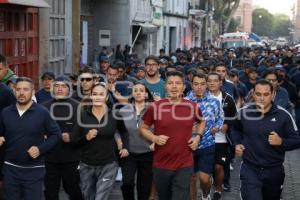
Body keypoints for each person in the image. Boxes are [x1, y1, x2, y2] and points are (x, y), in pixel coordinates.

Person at [139, 71, 205, 200]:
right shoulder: (155, 107)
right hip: (161, 164)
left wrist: (197, 136)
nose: (174, 87)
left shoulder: (192, 106)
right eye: (170, 83)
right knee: (165, 196)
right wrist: (154, 138)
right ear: (166, 86)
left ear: (184, 87)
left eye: (178, 83)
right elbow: (143, 128)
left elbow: (202, 121)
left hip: (184, 163)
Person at [231, 79, 300, 200]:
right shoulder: (244, 112)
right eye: (258, 94)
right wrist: (237, 144)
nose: (262, 98)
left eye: (266, 94)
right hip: (250, 168)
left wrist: (281, 142)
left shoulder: (283, 115)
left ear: (273, 94)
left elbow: (296, 140)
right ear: (253, 94)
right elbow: (234, 129)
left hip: (274, 170)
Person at [0, 77, 60, 200]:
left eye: (25, 89)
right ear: (14, 91)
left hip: (34, 170)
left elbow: (56, 134)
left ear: (33, 92)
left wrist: (40, 149)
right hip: (10, 169)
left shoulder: (42, 112)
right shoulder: (5, 112)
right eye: (18, 89)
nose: (21, 93)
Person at [72, 83, 129, 200]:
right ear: (91, 96)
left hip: (108, 165)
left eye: (101, 94)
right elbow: (73, 142)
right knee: (88, 197)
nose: (97, 97)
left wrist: (125, 147)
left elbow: (124, 132)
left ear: (107, 97)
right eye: (94, 94)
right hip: (86, 165)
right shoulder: (82, 116)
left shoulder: (115, 115)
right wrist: (86, 138)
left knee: (100, 198)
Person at [43, 76, 83, 200]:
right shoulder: (43, 107)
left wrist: (72, 137)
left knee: (73, 189)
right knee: (50, 192)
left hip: (71, 158)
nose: (60, 89)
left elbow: (83, 132)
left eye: (64, 86)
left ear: (69, 89)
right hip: (49, 158)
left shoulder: (78, 107)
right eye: (57, 86)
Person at [186, 73, 224, 200]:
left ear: (206, 85)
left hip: (207, 145)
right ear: (192, 85)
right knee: (191, 178)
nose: (199, 87)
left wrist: (217, 127)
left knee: (204, 179)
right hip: (189, 145)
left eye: (202, 84)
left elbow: (220, 118)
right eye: (196, 84)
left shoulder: (214, 101)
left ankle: (205, 194)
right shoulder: (185, 102)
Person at [119, 82, 154, 200]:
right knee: (127, 183)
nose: (138, 92)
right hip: (128, 153)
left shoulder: (154, 110)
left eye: (141, 90)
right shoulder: (123, 111)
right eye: (135, 90)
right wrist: (119, 141)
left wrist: (155, 141)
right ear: (132, 94)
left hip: (148, 153)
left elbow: (162, 127)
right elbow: (116, 130)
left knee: (144, 187)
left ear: (146, 94)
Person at [207, 73, 237, 200]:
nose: (212, 83)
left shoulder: (227, 98)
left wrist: (227, 125)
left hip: (222, 139)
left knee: (219, 166)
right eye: (209, 81)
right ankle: (206, 191)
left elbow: (235, 116)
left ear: (220, 83)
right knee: (207, 168)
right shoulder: (201, 97)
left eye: (215, 81)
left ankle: (218, 189)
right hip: (205, 139)